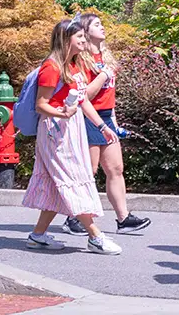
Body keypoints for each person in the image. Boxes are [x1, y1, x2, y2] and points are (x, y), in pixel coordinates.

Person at [22, 18, 122, 255]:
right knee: (73, 178)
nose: (84, 41)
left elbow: (82, 100)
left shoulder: (73, 65)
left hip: (71, 127)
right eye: (80, 38)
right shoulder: (52, 67)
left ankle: (37, 235)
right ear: (67, 40)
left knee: (60, 184)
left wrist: (102, 127)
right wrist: (61, 112)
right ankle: (95, 236)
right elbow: (41, 105)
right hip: (56, 131)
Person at [62, 13, 151, 237]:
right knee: (88, 171)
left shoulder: (107, 56)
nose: (102, 27)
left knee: (115, 169)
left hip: (106, 117)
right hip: (87, 116)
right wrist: (102, 75)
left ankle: (123, 218)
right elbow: (84, 96)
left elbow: (110, 95)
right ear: (86, 31)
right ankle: (74, 217)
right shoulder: (81, 59)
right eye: (96, 25)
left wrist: (114, 120)